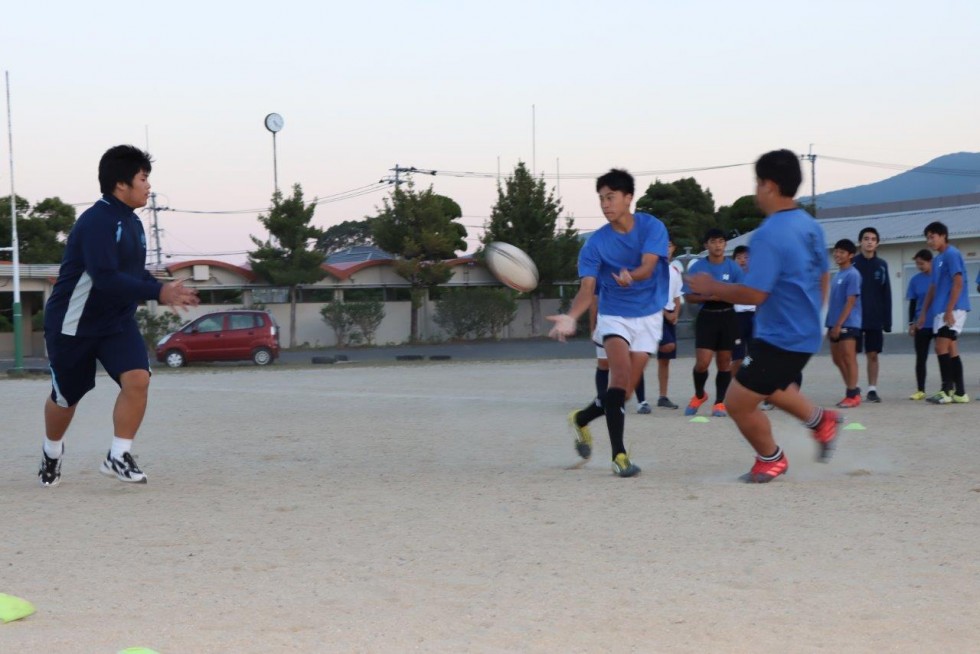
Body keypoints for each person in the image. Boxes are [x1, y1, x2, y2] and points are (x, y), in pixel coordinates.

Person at [38, 145, 199, 487]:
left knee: (138, 379)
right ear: (120, 184)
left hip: (115, 322)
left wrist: (162, 286)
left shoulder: (133, 223)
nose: (148, 186)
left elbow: (132, 274)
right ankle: (52, 452)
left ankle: (118, 455)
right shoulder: (97, 221)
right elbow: (105, 277)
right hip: (73, 323)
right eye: (143, 178)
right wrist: (158, 293)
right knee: (66, 398)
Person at [686, 149, 839, 483]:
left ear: (768, 185)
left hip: (785, 335)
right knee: (770, 385)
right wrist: (819, 315)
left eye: (757, 184)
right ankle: (821, 421)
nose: (756, 191)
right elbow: (823, 273)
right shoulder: (810, 225)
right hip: (800, 330)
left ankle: (771, 459)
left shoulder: (771, 233)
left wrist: (712, 287)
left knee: (738, 402)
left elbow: (755, 294)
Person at [547, 169, 669, 477]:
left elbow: (648, 265)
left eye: (611, 197)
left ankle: (582, 418)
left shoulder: (652, 227)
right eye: (601, 198)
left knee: (625, 393)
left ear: (629, 198)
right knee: (618, 379)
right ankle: (620, 456)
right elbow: (587, 289)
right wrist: (571, 316)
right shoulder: (595, 244)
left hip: (650, 314)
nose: (605, 204)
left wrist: (633, 275)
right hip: (614, 314)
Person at [682, 228, 743, 417]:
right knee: (702, 362)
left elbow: (742, 292)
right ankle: (700, 394)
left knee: (725, 361)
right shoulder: (698, 267)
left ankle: (719, 402)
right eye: (713, 241)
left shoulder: (733, 267)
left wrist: (723, 294)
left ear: (725, 244)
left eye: (721, 241)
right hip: (707, 315)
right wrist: (707, 296)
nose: (718, 245)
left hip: (728, 316)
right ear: (706, 245)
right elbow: (689, 296)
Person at [918, 221, 970, 404]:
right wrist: (923, 312)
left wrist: (949, 310)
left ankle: (946, 390)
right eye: (927, 238)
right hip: (940, 310)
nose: (929, 241)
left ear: (943, 236)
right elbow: (932, 287)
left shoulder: (952, 254)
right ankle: (961, 393)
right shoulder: (938, 259)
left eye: (932, 237)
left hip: (954, 308)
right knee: (951, 350)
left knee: (940, 346)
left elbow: (958, 282)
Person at [853, 226, 891, 402]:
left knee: (873, 354)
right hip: (853, 317)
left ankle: (872, 389)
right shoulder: (852, 263)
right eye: (866, 238)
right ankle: (852, 389)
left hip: (874, 318)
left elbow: (886, 293)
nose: (869, 242)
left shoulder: (882, 265)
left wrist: (887, 320)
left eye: (873, 239)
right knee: (850, 354)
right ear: (860, 241)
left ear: (877, 243)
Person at [826, 239, 862, 408]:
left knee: (849, 358)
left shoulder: (853, 274)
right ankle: (853, 390)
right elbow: (834, 302)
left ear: (850, 255)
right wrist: (830, 324)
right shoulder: (838, 274)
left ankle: (852, 394)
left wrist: (839, 324)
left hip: (849, 323)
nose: (837, 255)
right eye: (836, 251)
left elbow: (850, 301)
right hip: (834, 323)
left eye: (841, 252)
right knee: (837, 359)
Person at [655, 238, 683, 410]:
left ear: (674, 248)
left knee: (665, 360)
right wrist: (665, 312)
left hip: (670, 315)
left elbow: (677, 296)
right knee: (668, 346)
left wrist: (676, 314)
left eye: (669, 246)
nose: (666, 249)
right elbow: (652, 293)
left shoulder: (674, 270)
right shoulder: (654, 269)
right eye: (663, 245)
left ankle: (663, 396)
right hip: (655, 314)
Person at [906, 249, 935, 400]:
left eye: (922, 263)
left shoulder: (939, 277)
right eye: (917, 264)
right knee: (921, 358)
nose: (919, 266)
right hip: (921, 325)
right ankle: (920, 389)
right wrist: (911, 323)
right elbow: (912, 302)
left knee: (945, 355)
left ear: (930, 261)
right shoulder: (915, 280)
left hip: (938, 322)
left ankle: (948, 387)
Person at [730, 245, 755, 377]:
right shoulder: (730, 277)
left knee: (753, 354)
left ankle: (743, 373)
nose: (742, 260)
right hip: (736, 317)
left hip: (754, 316)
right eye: (738, 257)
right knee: (737, 355)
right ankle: (732, 383)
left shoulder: (757, 277)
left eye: (746, 257)